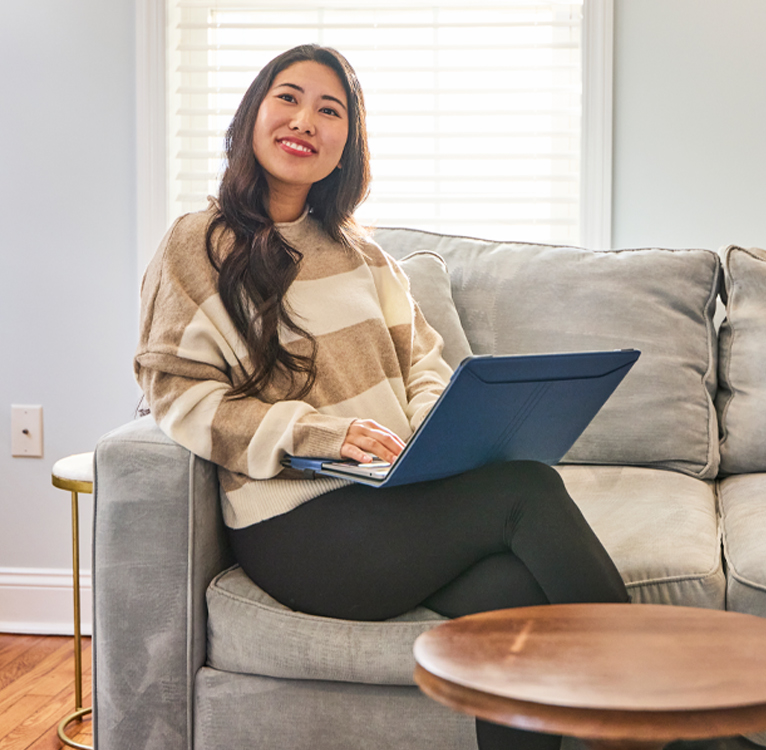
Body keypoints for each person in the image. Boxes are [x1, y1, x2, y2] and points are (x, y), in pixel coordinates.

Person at [132, 44, 628, 750]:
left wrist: (440, 429)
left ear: (345, 145)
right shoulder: (198, 244)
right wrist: (318, 433)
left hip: (392, 501)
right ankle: (672, 716)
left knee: (515, 610)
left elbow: (425, 364)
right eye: (289, 97)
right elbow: (177, 393)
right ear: (252, 116)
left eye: (329, 110)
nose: (306, 119)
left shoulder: (364, 256)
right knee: (528, 489)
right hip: (300, 527)